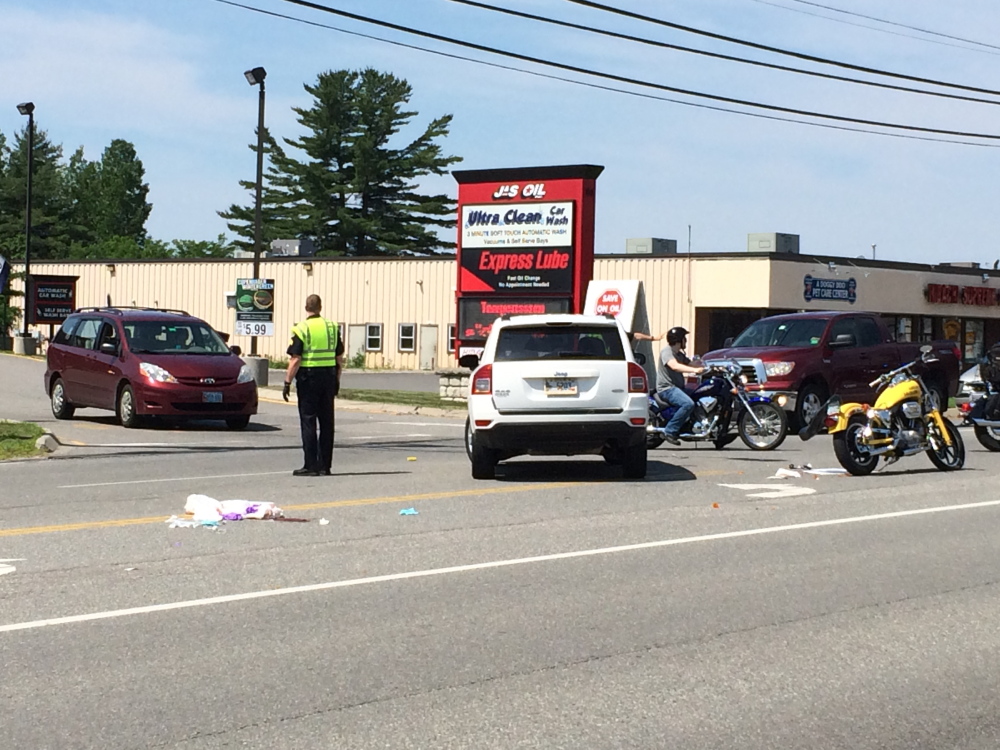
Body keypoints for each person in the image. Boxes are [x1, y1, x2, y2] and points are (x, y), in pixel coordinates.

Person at [283, 294, 344, 476]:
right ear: (321, 307)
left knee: (308, 421)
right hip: (328, 376)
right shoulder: (332, 327)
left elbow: (295, 359)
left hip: (309, 379)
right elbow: (339, 358)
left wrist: (287, 382)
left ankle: (311, 465)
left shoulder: (302, 328)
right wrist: (337, 379)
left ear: (306, 307)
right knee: (326, 422)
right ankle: (325, 465)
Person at [654, 326, 705, 445]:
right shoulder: (667, 352)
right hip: (667, 389)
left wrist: (712, 366)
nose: (685, 341)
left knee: (699, 395)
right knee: (688, 403)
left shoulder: (679, 354)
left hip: (677, 388)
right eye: (684, 338)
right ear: (679, 340)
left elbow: (692, 363)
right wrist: (695, 371)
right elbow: (674, 366)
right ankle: (670, 431)